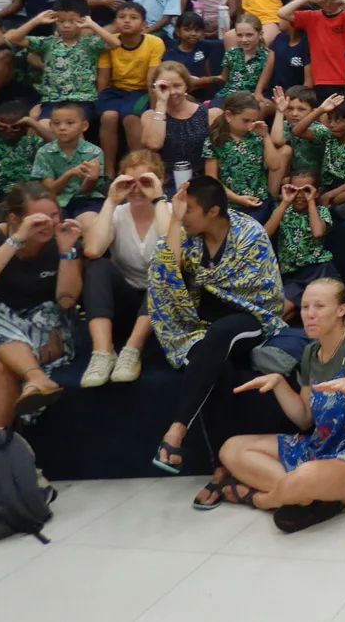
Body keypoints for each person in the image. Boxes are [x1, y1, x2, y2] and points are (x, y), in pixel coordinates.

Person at [194, 278, 345, 532]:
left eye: (319, 307)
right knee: (231, 450)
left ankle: (260, 498)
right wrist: (279, 383)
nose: (309, 315)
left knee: (304, 477)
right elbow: (304, 419)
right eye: (305, 307)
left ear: (341, 310)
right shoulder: (311, 353)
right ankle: (307, 497)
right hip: (319, 449)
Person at [146, 175, 286, 476]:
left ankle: (177, 430)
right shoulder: (184, 232)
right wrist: (174, 222)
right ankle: (222, 470)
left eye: (189, 210)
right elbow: (166, 274)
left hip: (250, 317)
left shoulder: (249, 233)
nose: (183, 217)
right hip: (198, 325)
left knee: (220, 334)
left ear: (213, 211)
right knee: (216, 366)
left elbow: (266, 293)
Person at [0, 182, 84, 428]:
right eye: (39, 218)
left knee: (0, 369)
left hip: (45, 324)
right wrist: (16, 239)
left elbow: (66, 300)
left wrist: (67, 252)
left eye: (54, 215)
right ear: (15, 219)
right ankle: (35, 376)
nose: (49, 223)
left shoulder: (63, 237)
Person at [78, 150, 170, 387]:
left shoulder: (169, 211)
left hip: (165, 304)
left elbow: (172, 254)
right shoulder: (117, 214)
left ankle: (132, 351)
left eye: (146, 181)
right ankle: (102, 353)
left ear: (160, 181)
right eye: (130, 182)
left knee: (165, 268)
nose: (137, 189)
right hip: (127, 302)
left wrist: (158, 198)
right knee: (97, 266)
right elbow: (92, 250)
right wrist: (110, 201)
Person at [141, 61, 210, 190]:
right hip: (167, 182)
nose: (171, 92)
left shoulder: (207, 113)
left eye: (177, 86)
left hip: (201, 182)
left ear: (186, 87)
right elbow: (154, 144)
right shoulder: (149, 116)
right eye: (164, 87)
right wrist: (161, 103)